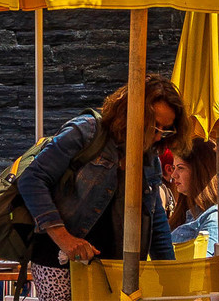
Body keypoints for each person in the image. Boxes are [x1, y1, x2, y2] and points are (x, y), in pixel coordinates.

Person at [13, 74, 182, 301]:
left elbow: (155, 219)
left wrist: (171, 278)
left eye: (166, 130)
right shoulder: (87, 131)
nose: (158, 136)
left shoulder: (150, 157)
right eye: (153, 126)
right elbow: (31, 179)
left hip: (112, 272)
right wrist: (65, 239)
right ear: (129, 112)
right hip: (62, 263)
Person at [165, 138, 219, 249]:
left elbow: (205, 262)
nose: (174, 175)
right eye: (173, 167)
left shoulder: (213, 218)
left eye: (180, 168)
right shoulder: (186, 214)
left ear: (200, 171)